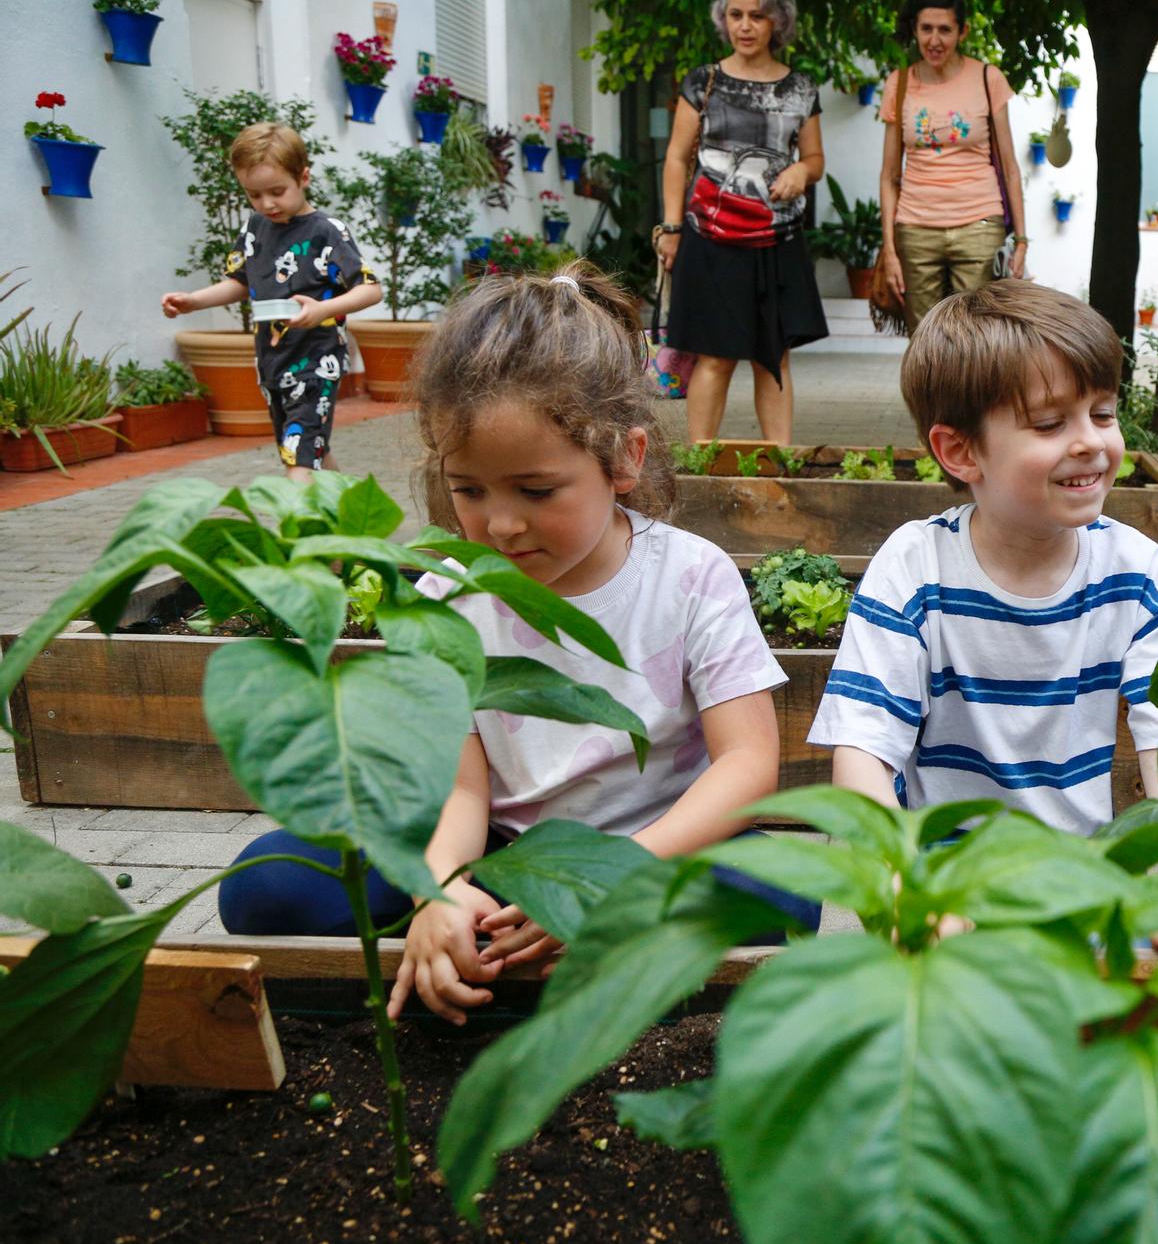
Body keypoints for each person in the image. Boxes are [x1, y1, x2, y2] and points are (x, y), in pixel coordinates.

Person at [217, 264, 815, 1021]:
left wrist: (605, 881)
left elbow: (747, 764)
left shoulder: (693, 576)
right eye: (469, 490)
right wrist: (438, 887)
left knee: (782, 890)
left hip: (654, 853)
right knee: (265, 884)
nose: (500, 525)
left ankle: (546, 948)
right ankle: (499, 943)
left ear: (625, 459)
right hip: (503, 857)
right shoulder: (446, 596)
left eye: (536, 491)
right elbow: (460, 786)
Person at [807, 280, 1158, 898]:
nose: (1091, 441)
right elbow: (863, 754)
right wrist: (908, 897)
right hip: (943, 882)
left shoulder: (1135, 570)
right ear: (960, 452)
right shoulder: (915, 568)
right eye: (1049, 423)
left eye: (1103, 413)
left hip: (1080, 878)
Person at [655, 0, 827, 445]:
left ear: (778, 20)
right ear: (723, 18)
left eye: (757, 15)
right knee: (714, 356)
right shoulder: (703, 81)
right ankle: (699, 463)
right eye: (736, 15)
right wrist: (671, 228)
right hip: (710, 237)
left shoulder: (800, 88)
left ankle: (778, 465)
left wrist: (801, 172)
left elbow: (815, 159)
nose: (745, 26)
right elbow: (676, 158)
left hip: (777, 239)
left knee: (774, 358)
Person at [159, 122, 382, 483]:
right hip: (272, 362)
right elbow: (239, 282)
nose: (267, 204)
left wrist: (323, 310)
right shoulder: (255, 229)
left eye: (277, 191)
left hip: (316, 361)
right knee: (310, 449)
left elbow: (370, 289)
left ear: (303, 177)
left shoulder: (327, 232)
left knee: (298, 457)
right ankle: (351, 511)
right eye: (254, 195)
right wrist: (192, 302)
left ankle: (292, 520)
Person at [877, 0, 1029, 331]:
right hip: (915, 228)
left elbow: (1010, 167)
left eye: (945, 29)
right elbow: (889, 175)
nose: (934, 40)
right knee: (924, 339)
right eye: (926, 29)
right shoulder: (899, 83)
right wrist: (890, 249)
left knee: (978, 338)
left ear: (963, 31)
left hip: (980, 223)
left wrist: (1021, 240)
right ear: (914, 30)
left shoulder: (988, 78)